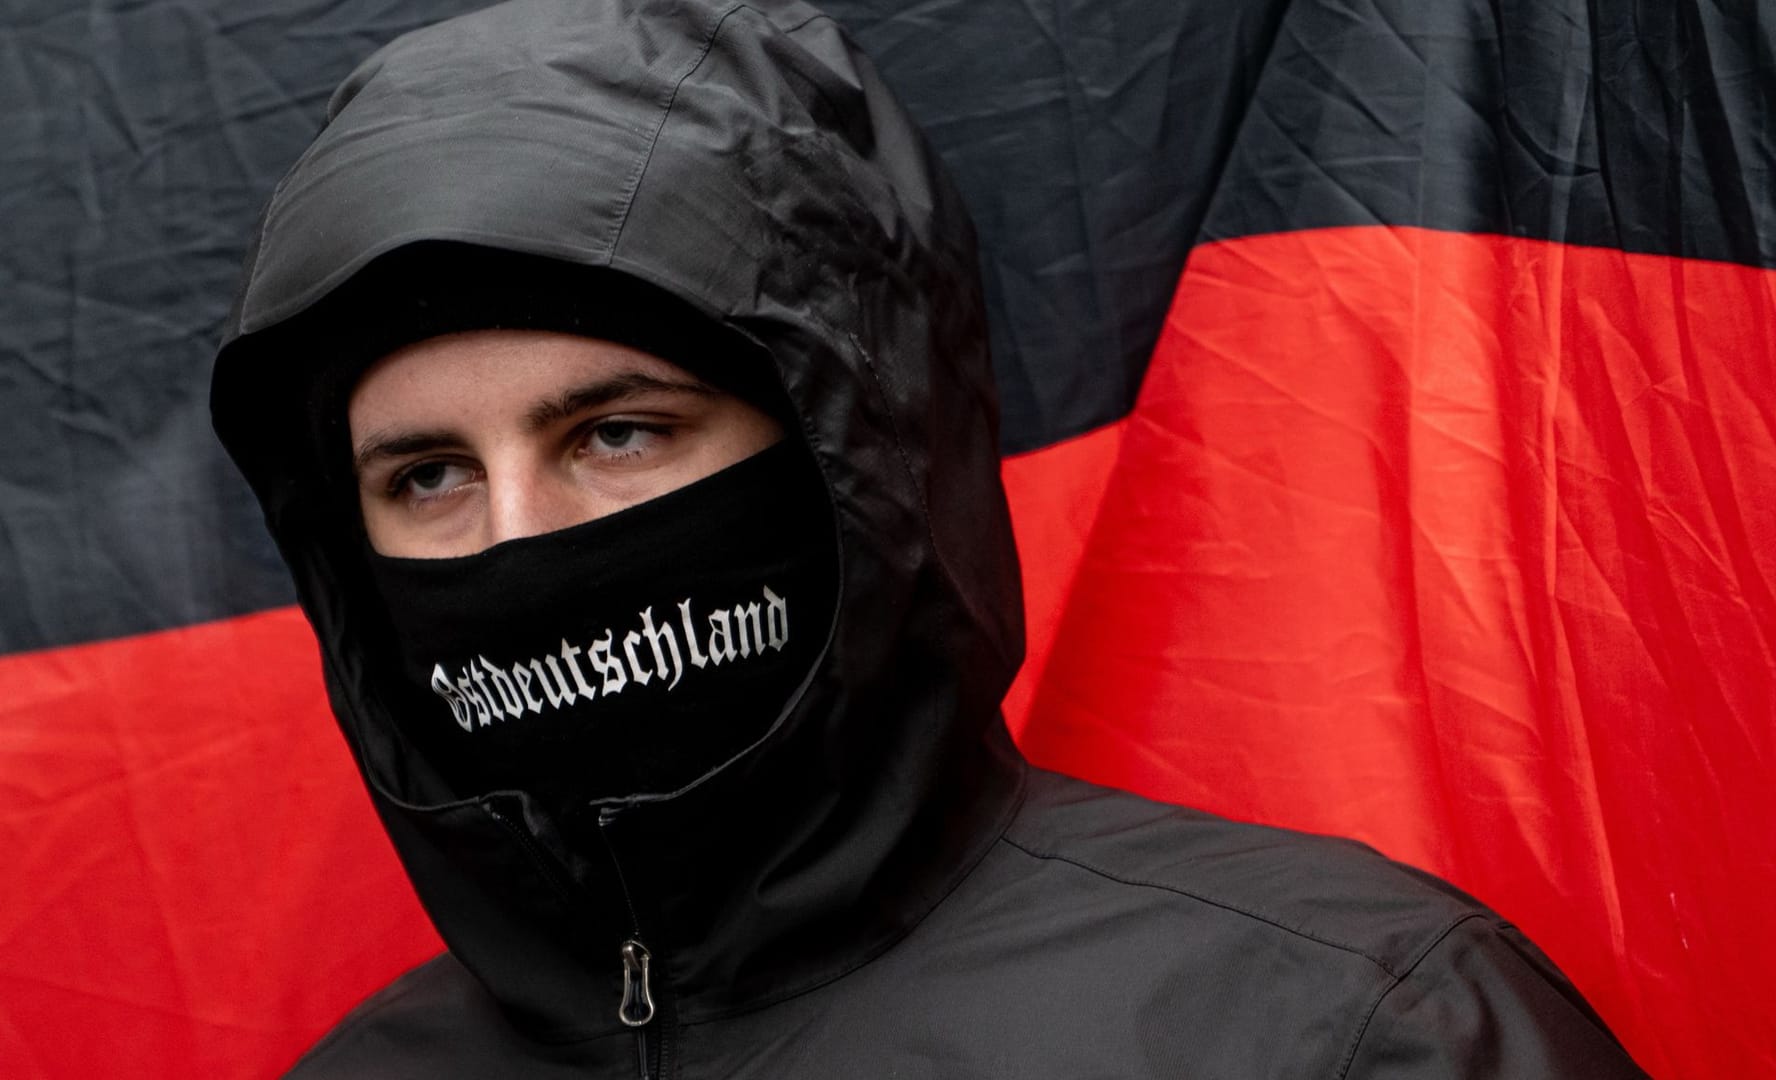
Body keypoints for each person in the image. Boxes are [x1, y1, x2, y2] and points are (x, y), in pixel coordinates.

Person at [210, 0, 1648, 1075]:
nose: (518, 542)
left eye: (616, 435)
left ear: (857, 451)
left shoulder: (1352, 1026)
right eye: (426, 478)